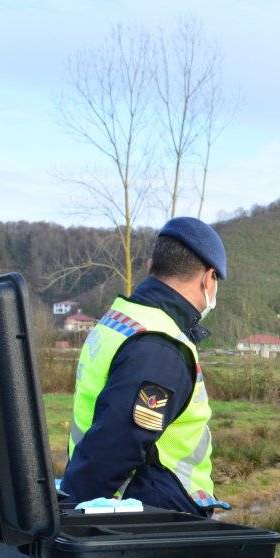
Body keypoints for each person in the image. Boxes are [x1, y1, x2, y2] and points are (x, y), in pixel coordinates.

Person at [62, 217, 228, 515]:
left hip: (118, 506)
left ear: (152, 266)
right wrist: (68, 516)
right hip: (149, 515)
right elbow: (115, 447)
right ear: (208, 279)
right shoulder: (160, 346)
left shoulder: (122, 320)